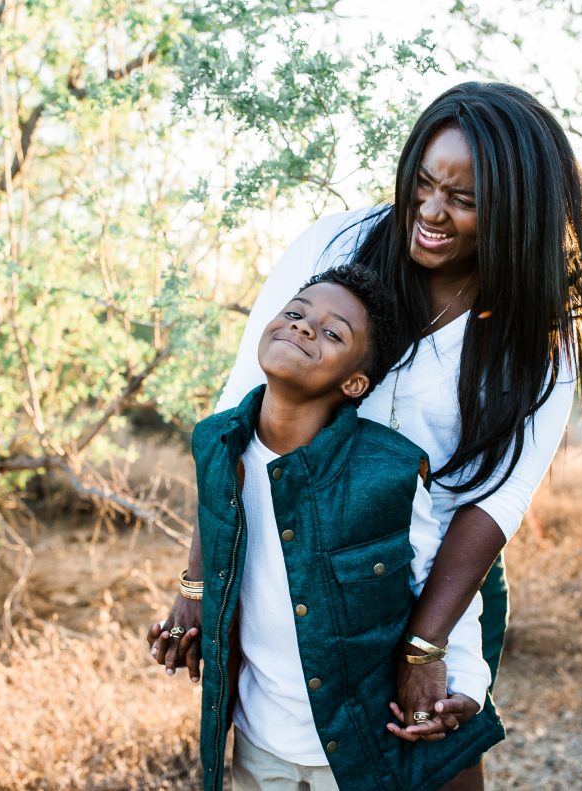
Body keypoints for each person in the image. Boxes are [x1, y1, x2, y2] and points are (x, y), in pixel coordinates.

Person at [157, 81, 582, 790]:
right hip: (291, 576)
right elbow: (237, 415)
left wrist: (426, 647)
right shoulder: (336, 246)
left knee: (421, 758)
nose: (430, 212)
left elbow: (494, 503)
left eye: (463, 200)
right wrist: (197, 577)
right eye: (422, 184)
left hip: (431, 592)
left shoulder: (537, 342)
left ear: (517, 211)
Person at [150, 265, 506, 790]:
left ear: (355, 382)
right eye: (295, 313)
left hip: (363, 746)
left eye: (333, 331)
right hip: (259, 739)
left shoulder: (389, 472)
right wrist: (191, 596)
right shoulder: (215, 445)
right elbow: (214, 542)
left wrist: (468, 680)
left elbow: (442, 585)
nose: (302, 327)